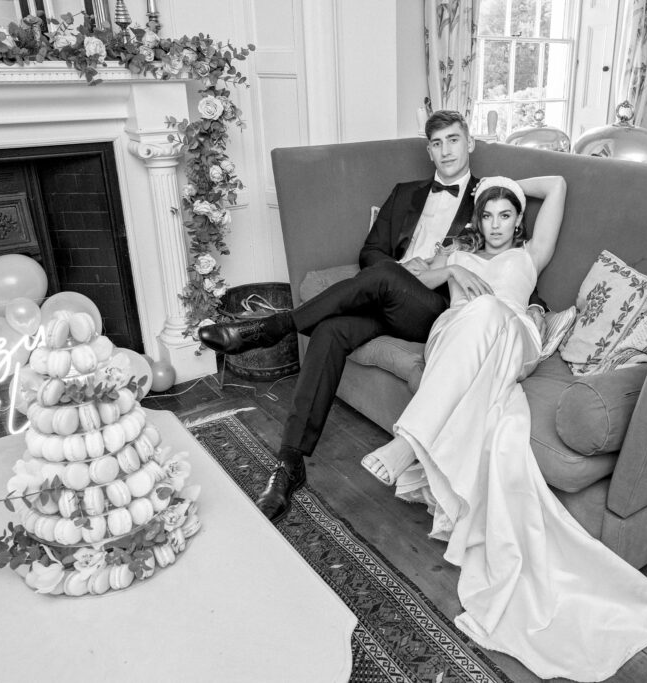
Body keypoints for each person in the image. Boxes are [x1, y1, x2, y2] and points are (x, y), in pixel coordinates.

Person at [361, 176, 647, 681]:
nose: (494, 225)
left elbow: (555, 184)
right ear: (477, 220)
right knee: (474, 313)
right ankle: (417, 439)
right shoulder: (458, 255)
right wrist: (450, 266)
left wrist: (492, 181)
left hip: (513, 334)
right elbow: (404, 277)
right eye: (486, 215)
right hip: (457, 336)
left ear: (517, 221)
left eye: (505, 214)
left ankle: (411, 441)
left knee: (491, 308)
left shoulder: (532, 255)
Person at [197, 110, 547, 523]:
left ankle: (273, 326)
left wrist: (533, 308)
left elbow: (511, 272)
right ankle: (289, 464)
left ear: (470, 143)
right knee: (330, 330)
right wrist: (403, 271)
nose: (445, 150)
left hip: (435, 310)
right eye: (436, 143)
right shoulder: (406, 193)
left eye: (454, 140)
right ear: (428, 150)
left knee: (384, 275)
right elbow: (371, 252)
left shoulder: (486, 203)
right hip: (388, 296)